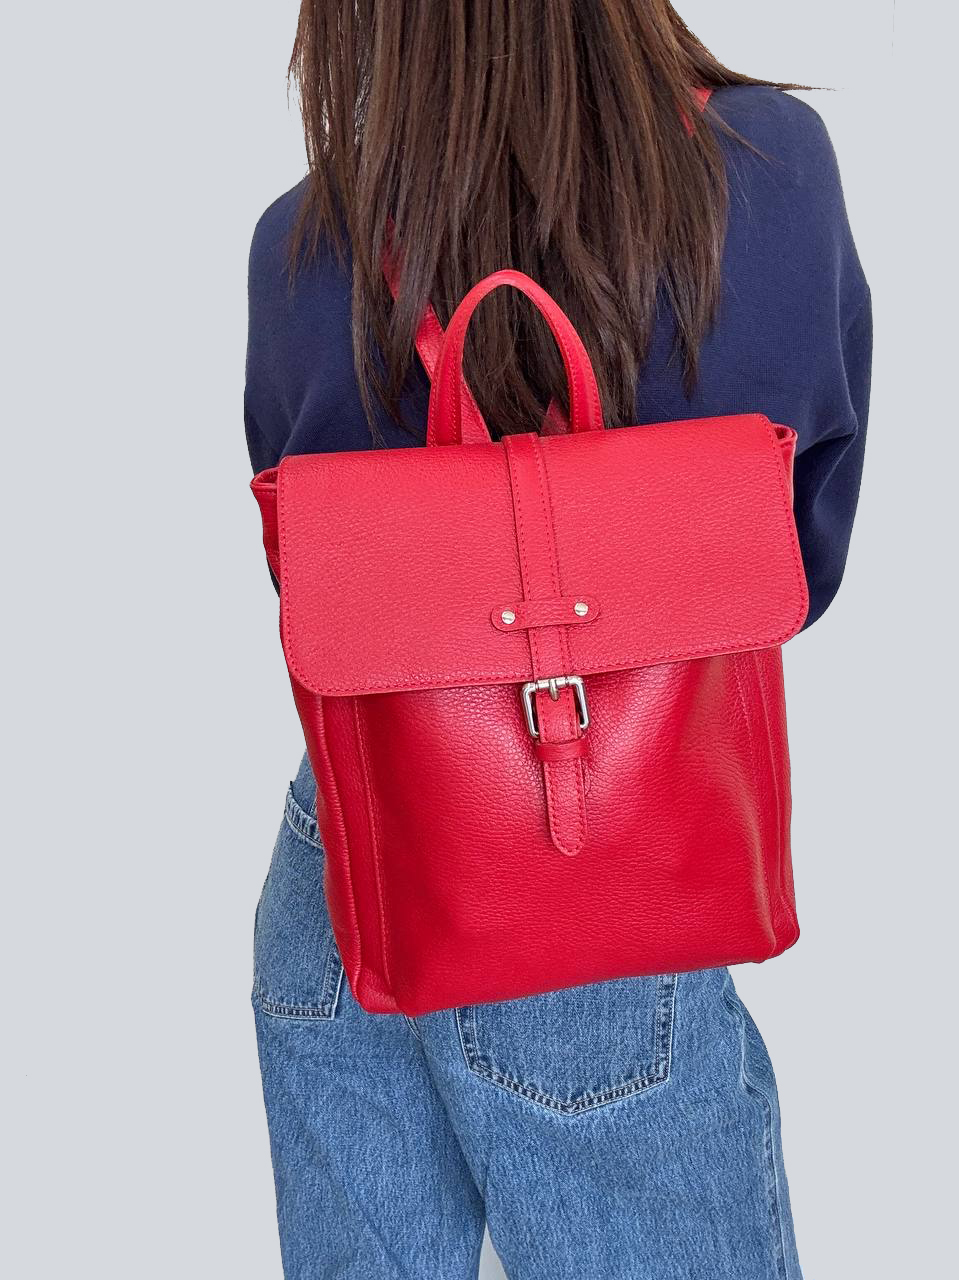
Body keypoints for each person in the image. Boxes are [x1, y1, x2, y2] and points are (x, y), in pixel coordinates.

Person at [245, 4, 870, 1277]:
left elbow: (307, 572)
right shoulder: (766, 167)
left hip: (348, 864)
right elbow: (792, 562)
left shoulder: (305, 240)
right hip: (596, 893)